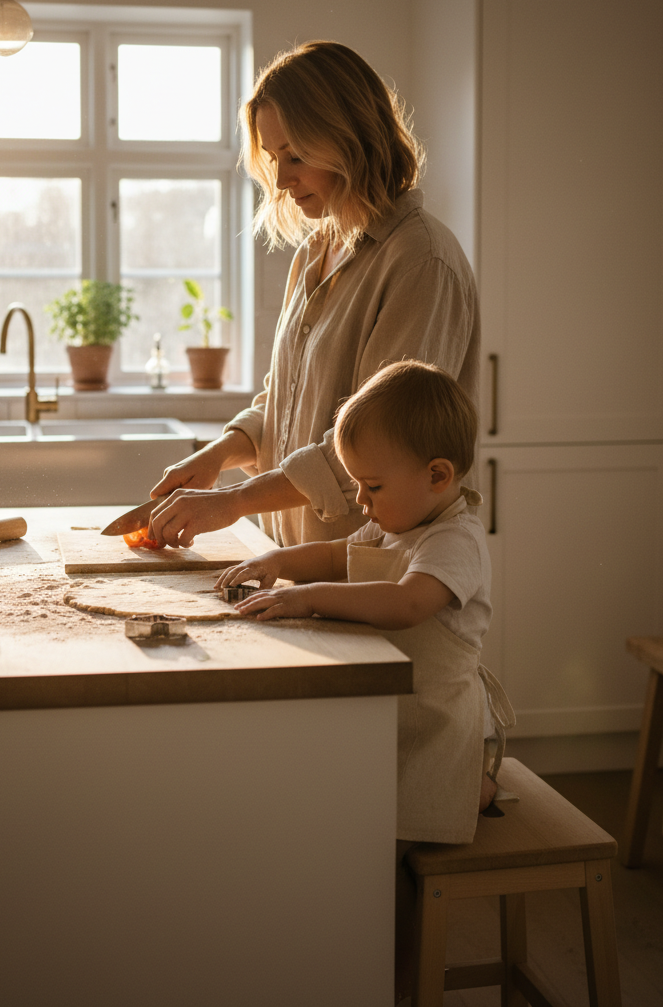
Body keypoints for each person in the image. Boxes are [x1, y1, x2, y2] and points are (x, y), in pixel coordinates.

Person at [215, 360, 515, 1001]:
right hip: (396, 716)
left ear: (438, 476)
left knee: (388, 860)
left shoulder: (454, 539)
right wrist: (277, 561)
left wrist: (307, 598)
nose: (360, 501)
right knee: (347, 821)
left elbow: (407, 603)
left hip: (435, 727)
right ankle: (475, 788)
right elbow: (336, 554)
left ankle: (396, 986)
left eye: (371, 486)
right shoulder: (400, 518)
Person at [146, 40, 480, 550]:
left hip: (376, 570)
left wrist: (234, 502)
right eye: (274, 158)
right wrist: (218, 455)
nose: (281, 180)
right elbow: (285, 402)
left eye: (296, 155)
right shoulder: (315, 251)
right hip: (296, 558)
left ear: (352, 139)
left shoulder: (421, 261)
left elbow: (383, 444)